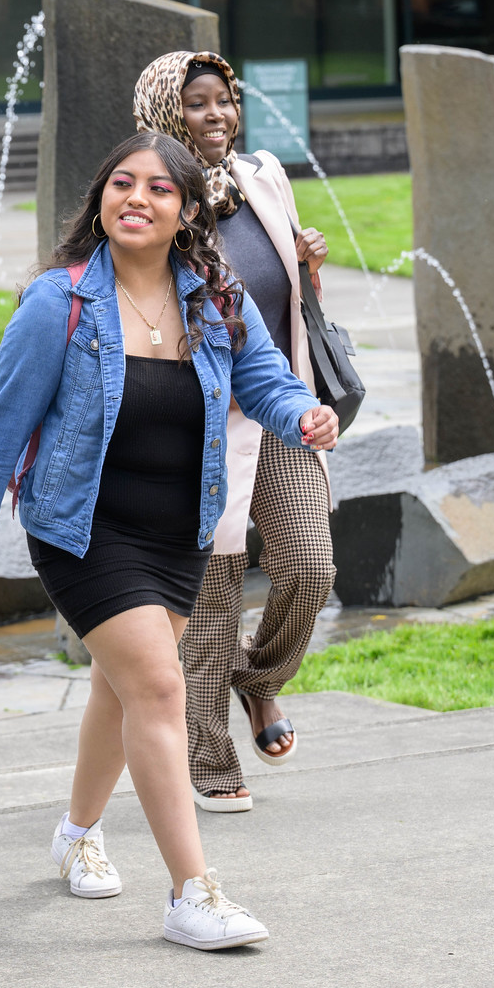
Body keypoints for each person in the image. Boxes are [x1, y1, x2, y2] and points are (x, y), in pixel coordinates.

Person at [0, 131, 337, 950]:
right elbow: (1, 432)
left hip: (178, 529)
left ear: (186, 211)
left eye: (158, 188)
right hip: (82, 529)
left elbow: (264, 379)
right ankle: (193, 893)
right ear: (101, 198)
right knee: (157, 685)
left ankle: (77, 832)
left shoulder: (213, 297)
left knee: (119, 690)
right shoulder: (58, 303)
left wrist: (303, 413)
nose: (137, 198)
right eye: (123, 182)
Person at [133, 51, 337, 813]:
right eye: (197, 103)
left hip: (279, 405)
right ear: (165, 113)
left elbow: (288, 297)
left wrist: (306, 260)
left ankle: (259, 678)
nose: (216, 114)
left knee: (310, 567)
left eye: (224, 100)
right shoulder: (152, 195)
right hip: (199, 423)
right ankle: (209, 759)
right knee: (211, 597)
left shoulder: (263, 177)